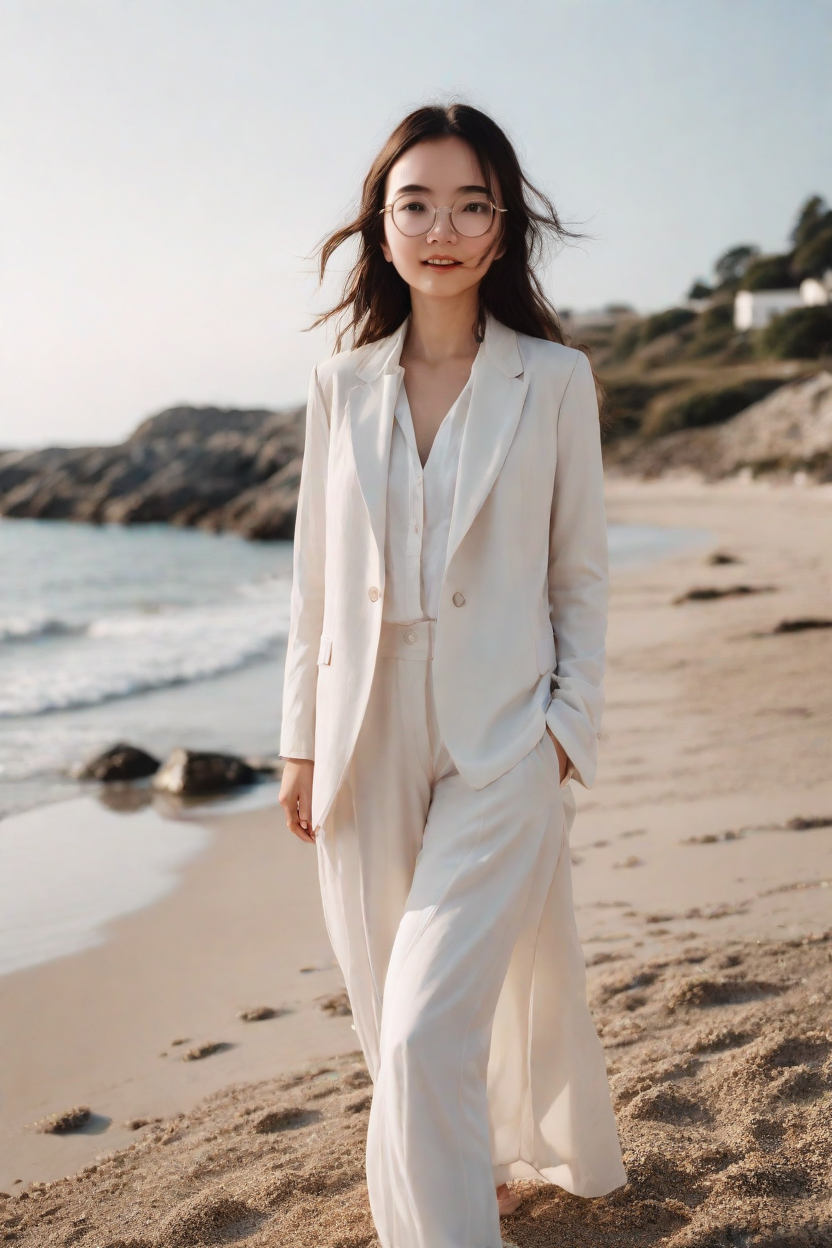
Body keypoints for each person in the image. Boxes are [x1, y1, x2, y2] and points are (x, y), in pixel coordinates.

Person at [278, 102, 626, 1248]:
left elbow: (578, 575)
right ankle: (462, 1188)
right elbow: (315, 588)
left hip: (504, 736)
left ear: (501, 226)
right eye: (414, 203)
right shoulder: (340, 386)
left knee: (427, 1029)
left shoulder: (555, 380)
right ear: (380, 227)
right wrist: (300, 740)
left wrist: (568, 727)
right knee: (395, 1031)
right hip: (362, 727)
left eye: (470, 203)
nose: (442, 227)